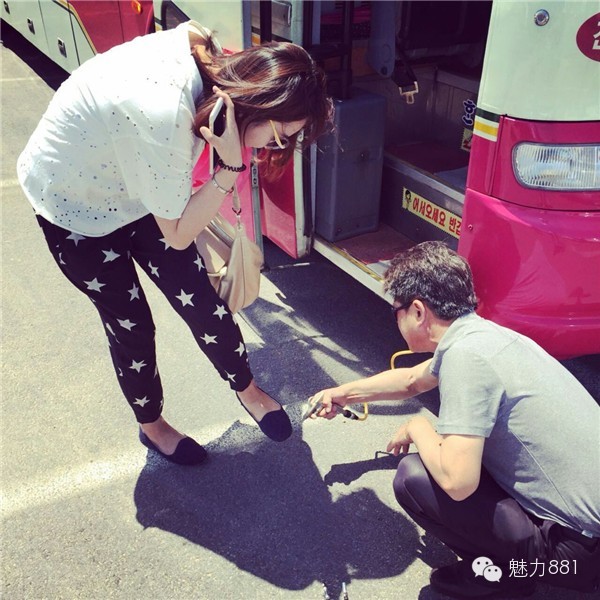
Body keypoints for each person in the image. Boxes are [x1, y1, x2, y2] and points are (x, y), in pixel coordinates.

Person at [17, 20, 332, 465]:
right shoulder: (167, 116)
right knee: (131, 324)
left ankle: (247, 389)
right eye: (280, 137)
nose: (273, 149)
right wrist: (230, 168)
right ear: (259, 104)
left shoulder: (205, 50)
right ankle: (153, 426)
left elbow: (188, 31)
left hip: (134, 185)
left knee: (200, 296)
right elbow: (180, 233)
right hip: (75, 207)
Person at [311, 241, 599, 598]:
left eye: (396, 310)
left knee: (414, 477)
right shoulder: (484, 336)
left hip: (575, 557)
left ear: (418, 311)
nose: (395, 319)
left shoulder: (466, 359)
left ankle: (504, 576)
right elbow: (411, 381)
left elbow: (457, 481)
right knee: (457, 448)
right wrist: (342, 393)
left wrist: (417, 427)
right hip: (587, 533)